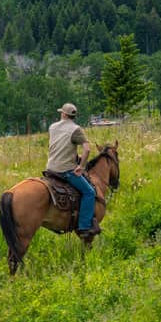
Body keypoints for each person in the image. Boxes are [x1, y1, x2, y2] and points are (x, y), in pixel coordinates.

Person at [47, 102, 100, 239]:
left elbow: (60, 147)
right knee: (89, 192)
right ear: (72, 116)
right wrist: (81, 167)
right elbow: (87, 149)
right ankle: (84, 226)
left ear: (63, 114)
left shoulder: (52, 127)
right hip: (65, 170)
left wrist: (75, 157)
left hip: (50, 168)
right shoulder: (76, 129)